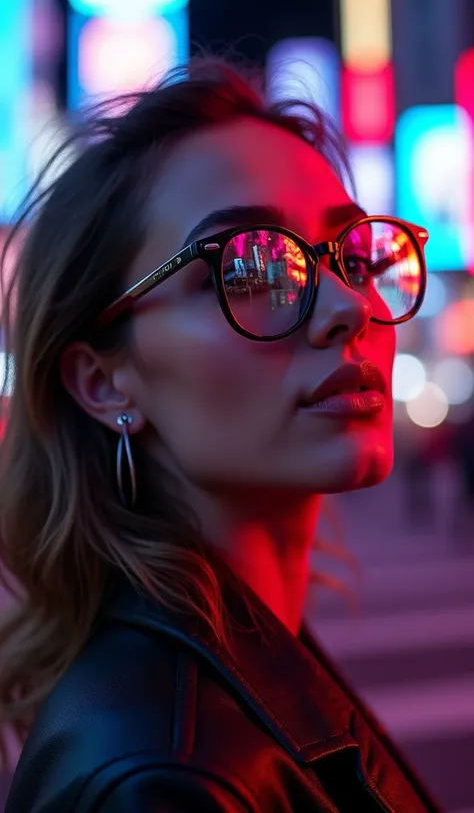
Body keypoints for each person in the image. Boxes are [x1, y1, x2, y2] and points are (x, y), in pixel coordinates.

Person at [0, 58, 439, 812]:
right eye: (249, 271)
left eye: (354, 256)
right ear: (105, 383)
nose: (349, 306)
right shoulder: (158, 781)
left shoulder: (240, 656)